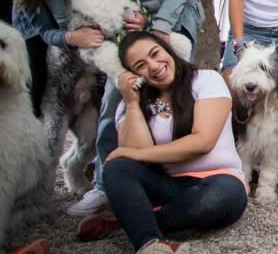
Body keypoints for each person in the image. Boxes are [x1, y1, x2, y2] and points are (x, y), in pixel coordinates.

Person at [71, 0, 206, 217]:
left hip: (173, 17)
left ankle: (179, 178)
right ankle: (105, 183)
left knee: (177, 84)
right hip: (123, 22)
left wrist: (158, 25)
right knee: (120, 88)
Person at [76, 31, 247, 254]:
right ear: (132, 75)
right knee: (117, 167)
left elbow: (202, 142)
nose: (154, 66)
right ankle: (149, 243)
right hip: (163, 186)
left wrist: (138, 154)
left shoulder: (206, 79)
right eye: (141, 65)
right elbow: (133, 156)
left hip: (218, 181)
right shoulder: (130, 104)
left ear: (168, 50)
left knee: (221, 197)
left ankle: (130, 223)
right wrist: (132, 104)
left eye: (155, 54)